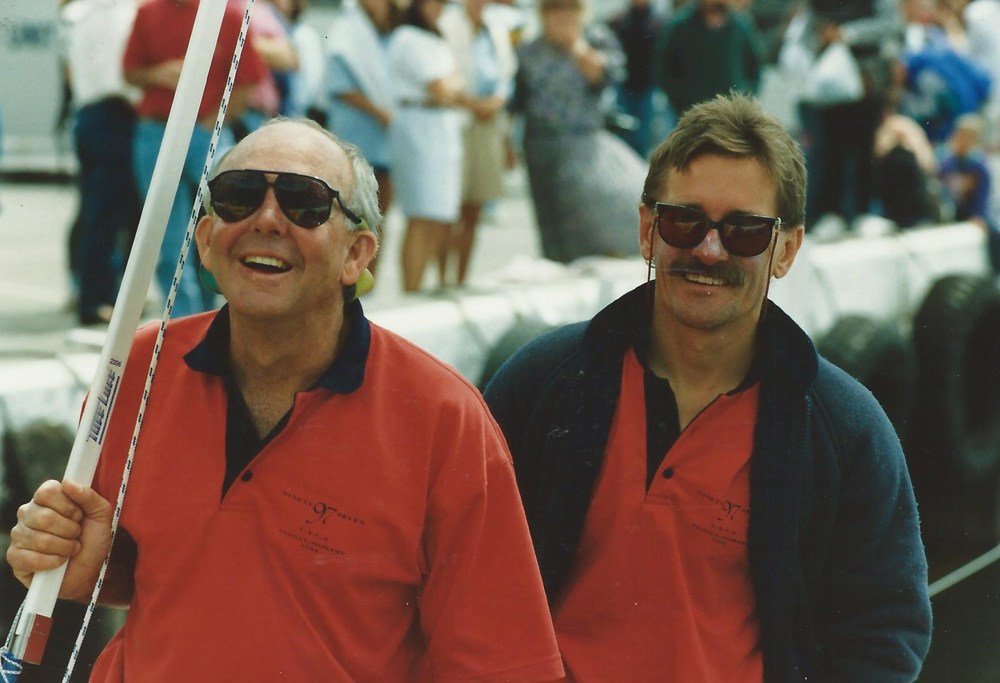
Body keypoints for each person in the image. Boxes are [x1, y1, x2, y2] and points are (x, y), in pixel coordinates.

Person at [6, 118, 564, 682]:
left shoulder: (444, 417)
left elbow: (502, 661)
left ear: (358, 255)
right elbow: (149, 569)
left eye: (305, 203)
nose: (267, 219)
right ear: (204, 239)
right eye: (238, 196)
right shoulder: (135, 371)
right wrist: (82, 561)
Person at [484, 93, 933, 681]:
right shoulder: (543, 382)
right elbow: (463, 572)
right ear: (648, 230)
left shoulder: (844, 427)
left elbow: (884, 630)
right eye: (683, 221)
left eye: (745, 231)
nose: (709, 249)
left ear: (786, 250)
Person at [123, 0, 268, 318]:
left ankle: (217, 314)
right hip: (157, 132)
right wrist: (157, 74)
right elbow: (130, 71)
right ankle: (181, 321)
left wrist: (213, 122)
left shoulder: (227, 14)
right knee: (164, 233)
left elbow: (248, 79)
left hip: (205, 133)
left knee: (225, 225)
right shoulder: (148, 13)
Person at [511, 0, 644, 264]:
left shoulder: (597, 39)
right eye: (555, 9)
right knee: (552, 219)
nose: (562, 16)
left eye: (570, 9)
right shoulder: (529, 50)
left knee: (590, 213)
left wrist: (576, 46)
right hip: (541, 145)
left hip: (582, 143)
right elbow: (518, 101)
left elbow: (606, 76)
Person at [60, 0, 141, 326]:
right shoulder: (126, 14)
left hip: (87, 114)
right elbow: (124, 76)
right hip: (116, 114)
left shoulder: (77, 13)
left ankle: (93, 293)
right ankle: (99, 298)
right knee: (111, 212)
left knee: (96, 209)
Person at [387, 0, 467, 291]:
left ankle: (424, 285)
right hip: (418, 124)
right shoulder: (408, 37)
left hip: (440, 126)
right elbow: (443, 89)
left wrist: (451, 84)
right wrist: (452, 84)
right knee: (420, 215)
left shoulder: (435, 38)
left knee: (439, 215)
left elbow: (453, 83)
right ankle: (411, 288)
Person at [440, 0, 517, 287]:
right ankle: (442, 278)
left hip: (488, 124)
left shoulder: (497, 27)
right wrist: (470, 103)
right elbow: (443, 74)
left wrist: (496, 101)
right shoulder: (448, 24)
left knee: (474, 207)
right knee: (450, 208)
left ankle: (461, 278)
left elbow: (506, 74)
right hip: (458, 122)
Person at [325, 0, 398, 276]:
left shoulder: (387, 35)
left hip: (383, 145)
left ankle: (370, 281)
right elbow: (337, 86)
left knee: (379, 217)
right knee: (347, 216)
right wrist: (377, 110)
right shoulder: (346, 32)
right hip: (353, 141)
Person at [654, 0, 764, 120]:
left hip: (731, 114)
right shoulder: (680, 26)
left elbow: (755, 64)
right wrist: (679, 97)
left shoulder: (741, 26)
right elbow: (663, 67)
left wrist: (746, 95)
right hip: (691, 113)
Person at [938, 112, 1000, 270]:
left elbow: (983, 193)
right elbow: (941, 186)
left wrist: (977, 215)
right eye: (960, 135)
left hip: (974, 210)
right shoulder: (947, 162)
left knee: (995, 234)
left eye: (968, 137)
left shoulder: (978, 165)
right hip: (953, 209)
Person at [608, 0, 665, 157]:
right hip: (623, 88)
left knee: (644, 136)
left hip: (648, 88)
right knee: (622, 135)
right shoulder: (618, 21)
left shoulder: (660, 22)